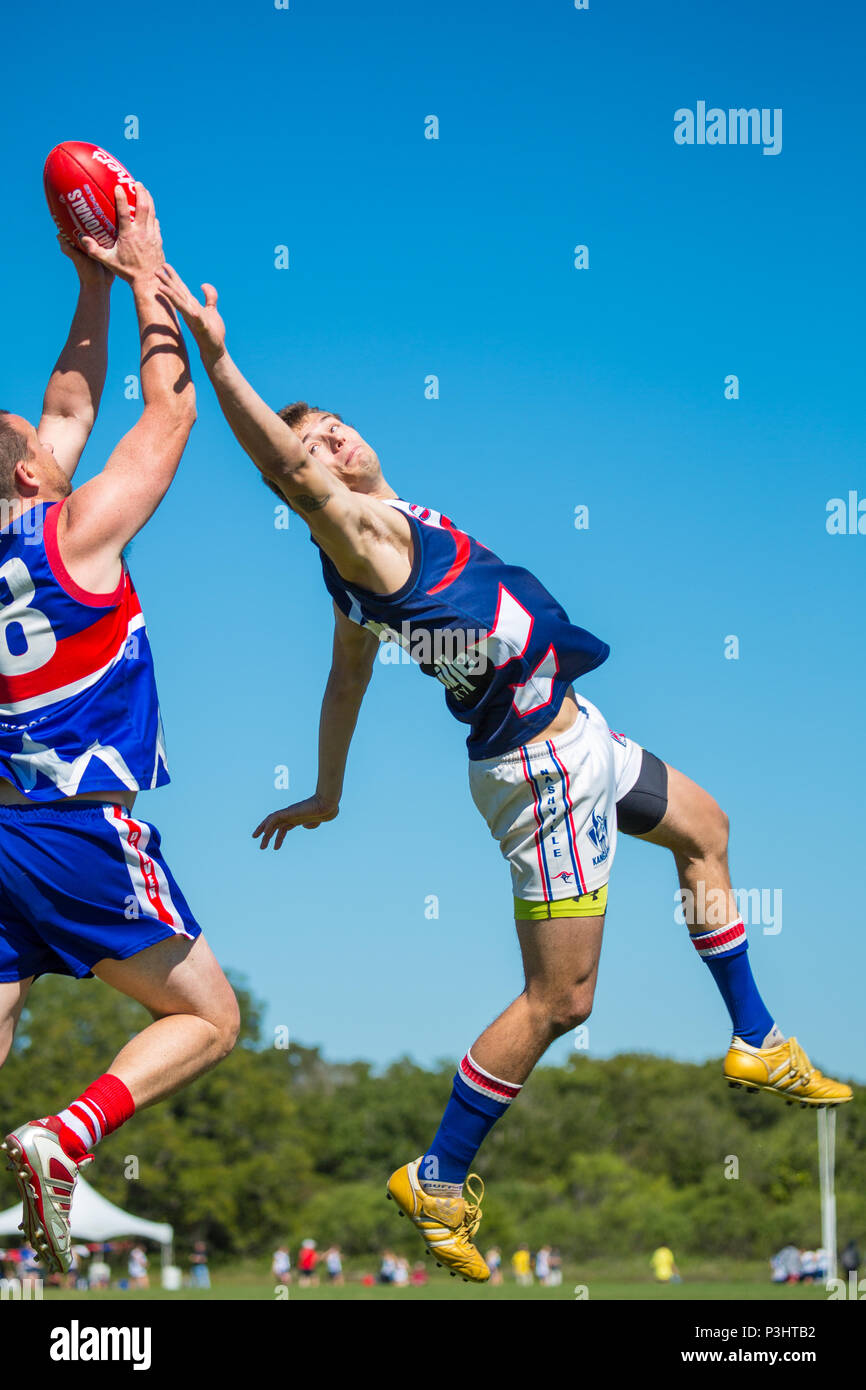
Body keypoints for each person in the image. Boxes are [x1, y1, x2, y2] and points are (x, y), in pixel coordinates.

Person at [155, 264, 852, 1286]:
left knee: (705, 827)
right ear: (299, 483)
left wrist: (327, 790)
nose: (332, 441)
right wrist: (218, 359)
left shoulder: (384, 547)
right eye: (309, 444)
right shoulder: (360, 540)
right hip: (542, 769)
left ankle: (755, 1036)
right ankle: (438, 1173)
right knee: (561, 1000)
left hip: (578, 741)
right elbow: (294, 479)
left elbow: (344, 685)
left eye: (337, 423)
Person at [0, 190, 240, 1278]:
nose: (49, 422)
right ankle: (67, 1136)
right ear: (26, 477)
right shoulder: (72, 536)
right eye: (33, 437)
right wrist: (148, 271)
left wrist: (86, 280)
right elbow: (171, 413)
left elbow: (65, 404)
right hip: (72, 830)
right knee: (208, 1015)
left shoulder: (22, 525)